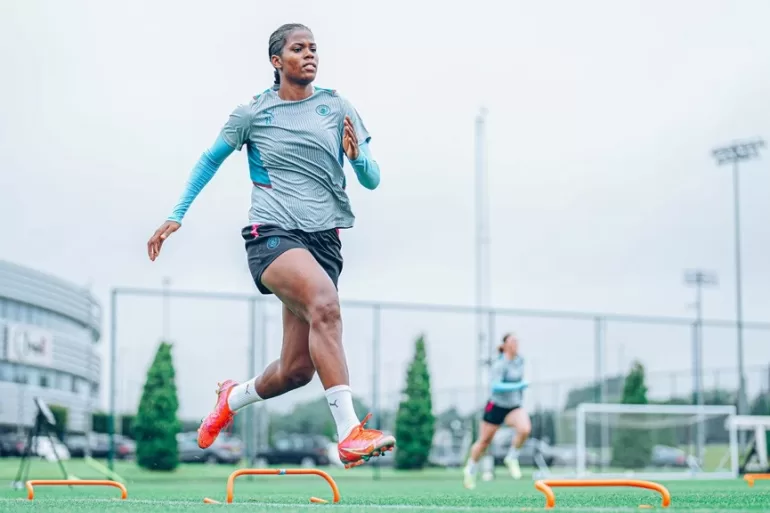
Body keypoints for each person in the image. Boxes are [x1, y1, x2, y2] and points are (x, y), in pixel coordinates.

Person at [146, 23, 395, 469]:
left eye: (314, 48)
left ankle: (231, 398)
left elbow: (372, 180)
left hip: (325, 243)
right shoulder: (253, 114)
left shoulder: (337, 107)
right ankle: (350, 432)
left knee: (297, 370)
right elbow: (209, 160)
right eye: (299, 49)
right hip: (273, 234)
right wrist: (176, 214)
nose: (310, 55)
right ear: (277, 61)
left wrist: (358, 157)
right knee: (326, 304)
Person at [463, 333, 531, 489]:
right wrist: (518, 386)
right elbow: (496, 386)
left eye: (517, 340)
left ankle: (512, 457)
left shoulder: (520, 361)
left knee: (525, 429)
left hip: (513, 406)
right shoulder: (499, 364)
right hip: (496, 406)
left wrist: (519, 396)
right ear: (506, 344)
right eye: (513, 341)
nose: (516, 344)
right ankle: (470, 469)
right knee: (484, 442)